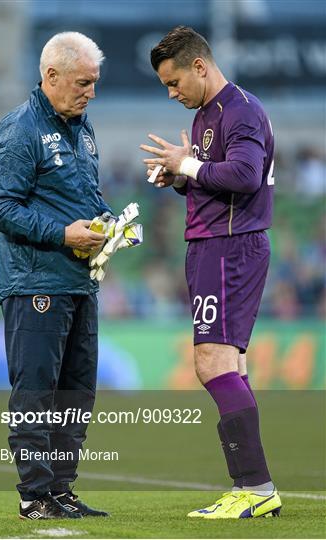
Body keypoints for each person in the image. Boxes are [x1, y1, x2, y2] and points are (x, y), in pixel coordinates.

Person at [140, 26, 281, 519]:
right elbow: (213, 181)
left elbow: (244, 175)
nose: (172, 93)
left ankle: (255, 487)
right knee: (228, 365)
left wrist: (190, 164)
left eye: (174, 82)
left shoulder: (240, 111)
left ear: (199, 66)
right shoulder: (207, 114)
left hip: (230, 247)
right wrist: (182, 174)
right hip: (213, 245)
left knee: (211, 362)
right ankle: (254, 486)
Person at [0, 32, 111, 520]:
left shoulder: (84, 129)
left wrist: (111, 225)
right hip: (35, 282)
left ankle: (61, 488)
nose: (90, 93)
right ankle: (34, 494)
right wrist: (62, 234)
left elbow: (85, 198)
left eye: (94, 83)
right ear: (50, 76)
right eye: (83, 83)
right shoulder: (20, 130)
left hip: (79, 282)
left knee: (77, 392)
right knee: (37, 391)